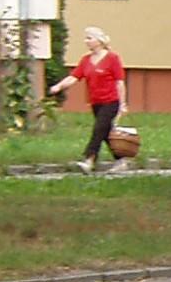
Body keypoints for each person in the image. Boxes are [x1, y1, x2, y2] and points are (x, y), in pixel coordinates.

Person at [50, 27, 129, 173]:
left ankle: (89, 160)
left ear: (99, 41)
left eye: (89, 38)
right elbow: (74, 77)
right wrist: (59, 86)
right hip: (96, 102)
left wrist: (123, 104)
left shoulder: (112, 58)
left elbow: (119, 82)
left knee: (99, 129)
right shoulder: (86, 60)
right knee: (105, 132)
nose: (86, 41)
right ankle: (120, 161)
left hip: (111, 101)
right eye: (86, 38)